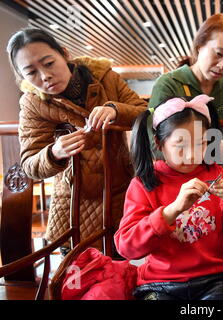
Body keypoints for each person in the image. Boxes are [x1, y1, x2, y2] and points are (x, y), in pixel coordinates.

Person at [7, 27, 147, 251]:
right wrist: (54, 153)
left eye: (49, 63)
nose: (45, 76)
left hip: (119, 194)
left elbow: (144, 112)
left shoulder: (105, 77)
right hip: (72, 207)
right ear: (23, 77)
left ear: (64, 53)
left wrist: (115, 110)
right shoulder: (34, 103)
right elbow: (30, 165)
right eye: (31, 72)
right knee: (77, 279)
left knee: (122, 274)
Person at [114, 95, 223, 300]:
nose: (191, 155)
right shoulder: (144, 184)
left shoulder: (217, 174)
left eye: (201, 144)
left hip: (214, 280)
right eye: (180, 145)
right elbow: (127, 247)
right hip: (160, 282)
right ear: (159, 143)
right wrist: (173, 209)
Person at [149, 13, 223, 164]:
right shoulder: (169, 84)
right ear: (199, 46)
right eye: (218, 54)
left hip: (217, 178)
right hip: (178, 180)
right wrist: (212, 148)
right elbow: (152, 144)